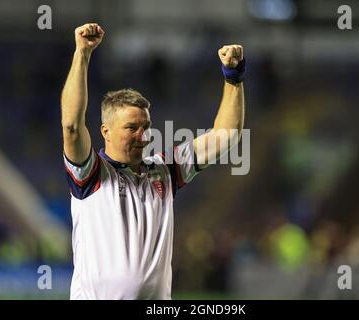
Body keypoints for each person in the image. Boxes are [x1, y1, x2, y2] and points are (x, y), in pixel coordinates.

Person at [61, 23, 246, 299]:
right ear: (105, 131)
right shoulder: (92, 174)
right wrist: (83, 54)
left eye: (146, 126)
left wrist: (233, 78)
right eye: (132, 127)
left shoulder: (165, 169)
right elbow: (72, 126)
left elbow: (226, 136)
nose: (143, 135)